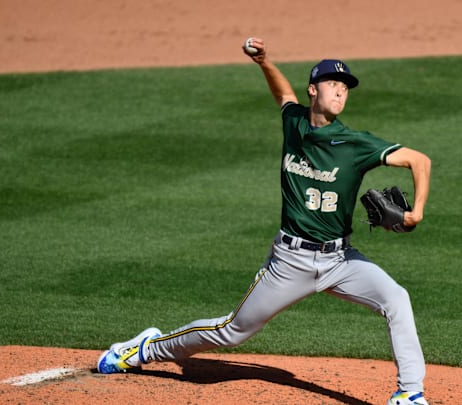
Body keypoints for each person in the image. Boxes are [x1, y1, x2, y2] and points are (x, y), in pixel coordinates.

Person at [97, 37, 432, 405]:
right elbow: (284, 96)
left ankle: (410, 394)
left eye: (345, 87)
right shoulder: (294, 124)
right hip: (290, 262)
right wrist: (264, 62)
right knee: (232, 331)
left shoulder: (355, 143)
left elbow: (420, 160)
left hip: (341, 261)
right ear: (313, 90)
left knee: (396, 299)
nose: (340, 92)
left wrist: (415, 212)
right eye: (333, 85)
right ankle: (143, 350)